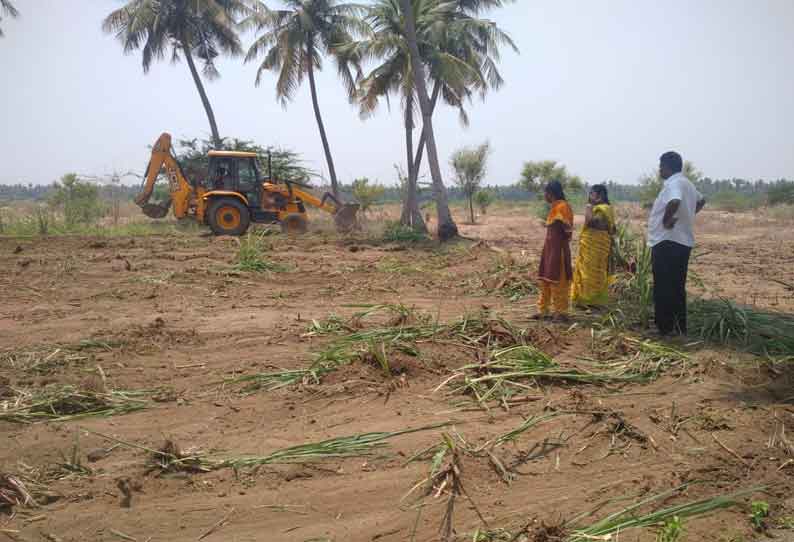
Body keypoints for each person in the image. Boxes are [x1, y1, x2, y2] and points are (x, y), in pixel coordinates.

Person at [647, 151, 706, 335]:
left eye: (660, 166)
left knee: (664, 286)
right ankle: (680, 328)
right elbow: (702, 200)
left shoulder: (674, 183)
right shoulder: (686, 183)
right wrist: (687, 215)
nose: (659, 170)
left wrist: (666, 220)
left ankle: (664, 328)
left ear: (667, 167)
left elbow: (674, 200)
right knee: (677, 287)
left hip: (667, 241)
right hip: (682, 242)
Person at [535, 181, 574, 320]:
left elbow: (568, 229)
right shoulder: (554, 207)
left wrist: (563, 224)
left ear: (551, 193)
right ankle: (543, 310)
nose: (544, 195)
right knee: (546, 279)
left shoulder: (563, 206)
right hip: (549, 249)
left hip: (559, 250)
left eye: (545, 192)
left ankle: (561, 312)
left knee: (559, 280)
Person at [571, 184, 616, 307]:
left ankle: (590, 300)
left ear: (599, 195)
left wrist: (588, 208)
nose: (589, 196)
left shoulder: (603, 209)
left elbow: (591, 223)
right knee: (589, 271)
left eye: (591, 194)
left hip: (597, 245)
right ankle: (587, 299)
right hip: (594, 244)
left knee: (592, 272)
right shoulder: (607, 209)